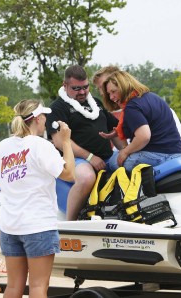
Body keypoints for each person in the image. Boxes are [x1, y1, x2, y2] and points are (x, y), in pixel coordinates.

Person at [0, 99, 75, 298]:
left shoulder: (3, 146)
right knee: (37, 287)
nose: (46, 119)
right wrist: (66, 141)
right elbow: (69, 174)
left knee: (13, 287)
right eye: (43, 115)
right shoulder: (40, 145)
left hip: (10, 226)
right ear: (37, 119)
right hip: (38, 225)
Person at [45, 65, 126, 220]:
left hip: (107, 157)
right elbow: (60, 141)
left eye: (85, 87)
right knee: (86, 177)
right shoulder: (57, 108)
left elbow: (113, 130)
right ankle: (70, 223)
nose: (82, 92)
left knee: (133, 162)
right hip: (77, 160)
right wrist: (89, 157)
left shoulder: (96, 103)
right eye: (76, 88)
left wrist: (125, 150)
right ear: (65, 86)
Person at [101, 70, 181, 172]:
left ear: (124, 86)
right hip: (176, 153)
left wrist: (125, 152)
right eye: (109, 94)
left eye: (113, 92)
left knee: (112, 161)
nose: (111, 97)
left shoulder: (132, 107)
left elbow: (143, 136)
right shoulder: (153, 97)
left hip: (158, 155)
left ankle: (139, 186)